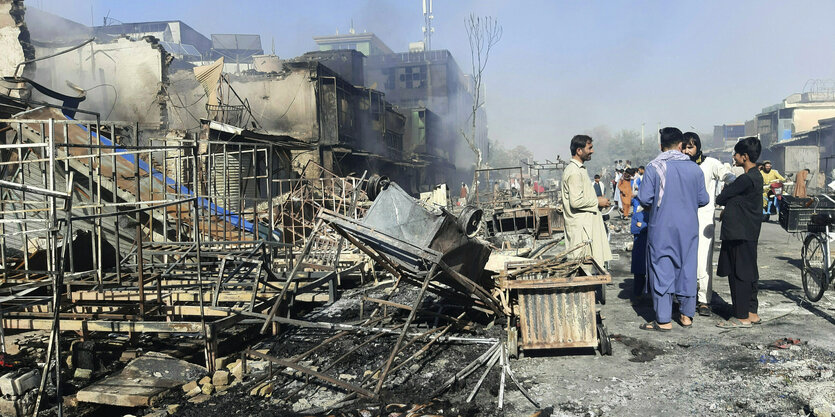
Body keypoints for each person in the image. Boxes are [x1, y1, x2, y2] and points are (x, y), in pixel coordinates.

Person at [637, 127, 709, 331]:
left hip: (662, 226)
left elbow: (644, 198)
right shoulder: (695, 168)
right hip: (689, 227)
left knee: (662, 267)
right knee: (687, 267)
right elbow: (703, 199)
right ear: (680, 145)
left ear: (661, 146)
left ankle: (663, 319)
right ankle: (686, 316)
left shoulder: (654, 167)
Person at [682, 132, 736, 316]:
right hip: (682, 219)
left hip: (704, 220)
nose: (687, 151)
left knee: (703, 260)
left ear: (698, 147)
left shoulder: (710, 163)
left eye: (691, 147)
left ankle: (704, 299)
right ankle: (684, 296)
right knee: (682, 259)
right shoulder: (679, 166)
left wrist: (732, 190)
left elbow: (726, 175)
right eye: (684, 147)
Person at [715, 137, 764, 328]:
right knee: (750, 271)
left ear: (744, 157)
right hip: (749, 232)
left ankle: (741, 316)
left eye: (736, 153)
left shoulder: (745, 178)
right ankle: (751, 312)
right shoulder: (756, 176)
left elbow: (722, 197)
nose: (734, 157)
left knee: (738, 273)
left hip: (739, 233)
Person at [560, 135, 613, 267]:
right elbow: (576, 202)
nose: (592, 151)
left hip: (585, 227)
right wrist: (597, 202)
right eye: (589, 148)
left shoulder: (579, 170)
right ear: (579, 150)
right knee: (583, 269)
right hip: (581, 230)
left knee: (589, 267)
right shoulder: (574, 172)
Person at [630, 196, 648, 301]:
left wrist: (642, 225)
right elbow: (633, 229)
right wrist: (647, 226)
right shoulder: (637, 215)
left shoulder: (657, 215)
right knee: (639, 274)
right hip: (640, 247)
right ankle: (637, 296)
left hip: (650, 247)